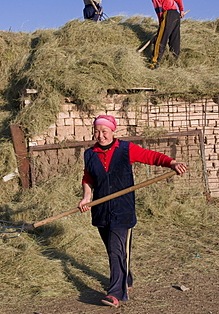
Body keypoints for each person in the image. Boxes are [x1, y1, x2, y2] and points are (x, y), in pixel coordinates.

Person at [78, 115, 187, 308]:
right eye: (97, 131)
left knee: (116, 251)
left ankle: (115, 293)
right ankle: (125, 280)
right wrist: (87, 197)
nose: (100, 136)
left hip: (122, 211)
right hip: (101, 210)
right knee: (114, 250)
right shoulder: (90, 154)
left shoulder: (126, 150)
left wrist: (171, 163)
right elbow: (88, 177)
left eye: (104, 131)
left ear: (113, 131)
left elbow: (152, 157)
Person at [143, 0, 185, 70]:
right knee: (175, 39)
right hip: (175, 15)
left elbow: (159, 11)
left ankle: (154, 62)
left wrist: (160, 24)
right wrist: (181, 10)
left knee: (160, 39)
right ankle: (174, 62)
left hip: (167, 15)